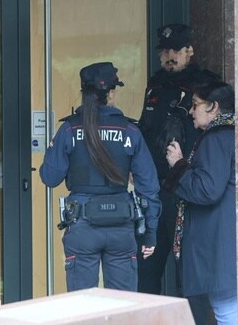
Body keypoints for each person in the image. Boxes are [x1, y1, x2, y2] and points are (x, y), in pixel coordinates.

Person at [39, 61, 161, 292]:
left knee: (84, 307)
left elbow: (49, 177)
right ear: (112, 93)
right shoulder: (130, 131)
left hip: (82, 226)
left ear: (83, 92)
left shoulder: (69, 130)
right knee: (123, 307)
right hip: (121, 227)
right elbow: (149, 187)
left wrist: (54, 147)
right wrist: (151, 233)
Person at [137, 23, 220, 297]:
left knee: (186, 269)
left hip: (186, 186)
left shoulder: (206, 84)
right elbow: (146, 128)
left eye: (176, 50)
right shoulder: (155, 84)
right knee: (147, 267)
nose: (170, 56)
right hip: (154, 188)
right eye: (165, 51)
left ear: (189, 51)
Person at [163, 81, 236, 325]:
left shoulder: (216, 138)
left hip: (217, 245)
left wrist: (179, 164)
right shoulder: (232, 133)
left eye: (195, 105)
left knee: (227, 314)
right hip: (223, 241)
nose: (191, 112)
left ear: (213, 107)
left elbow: (207, 189)